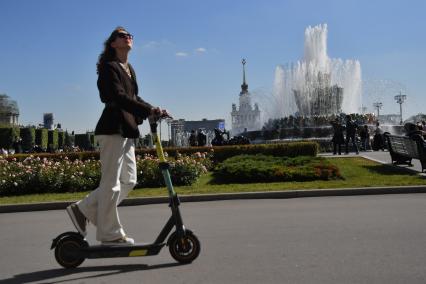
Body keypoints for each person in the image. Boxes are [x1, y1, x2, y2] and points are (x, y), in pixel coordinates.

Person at [66, 27, 169, 246]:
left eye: (130, 34)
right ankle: (109, 234)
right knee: (111, 183)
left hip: (127, 129)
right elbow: (119, 97)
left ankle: (84, 209)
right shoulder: (108, 67)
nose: (128, 36)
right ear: (113, 43)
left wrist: (154, 109)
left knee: (129, 180)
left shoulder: (129, 68)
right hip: (112, 128)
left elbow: (134, 96)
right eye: (122, 35)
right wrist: (147, 111)